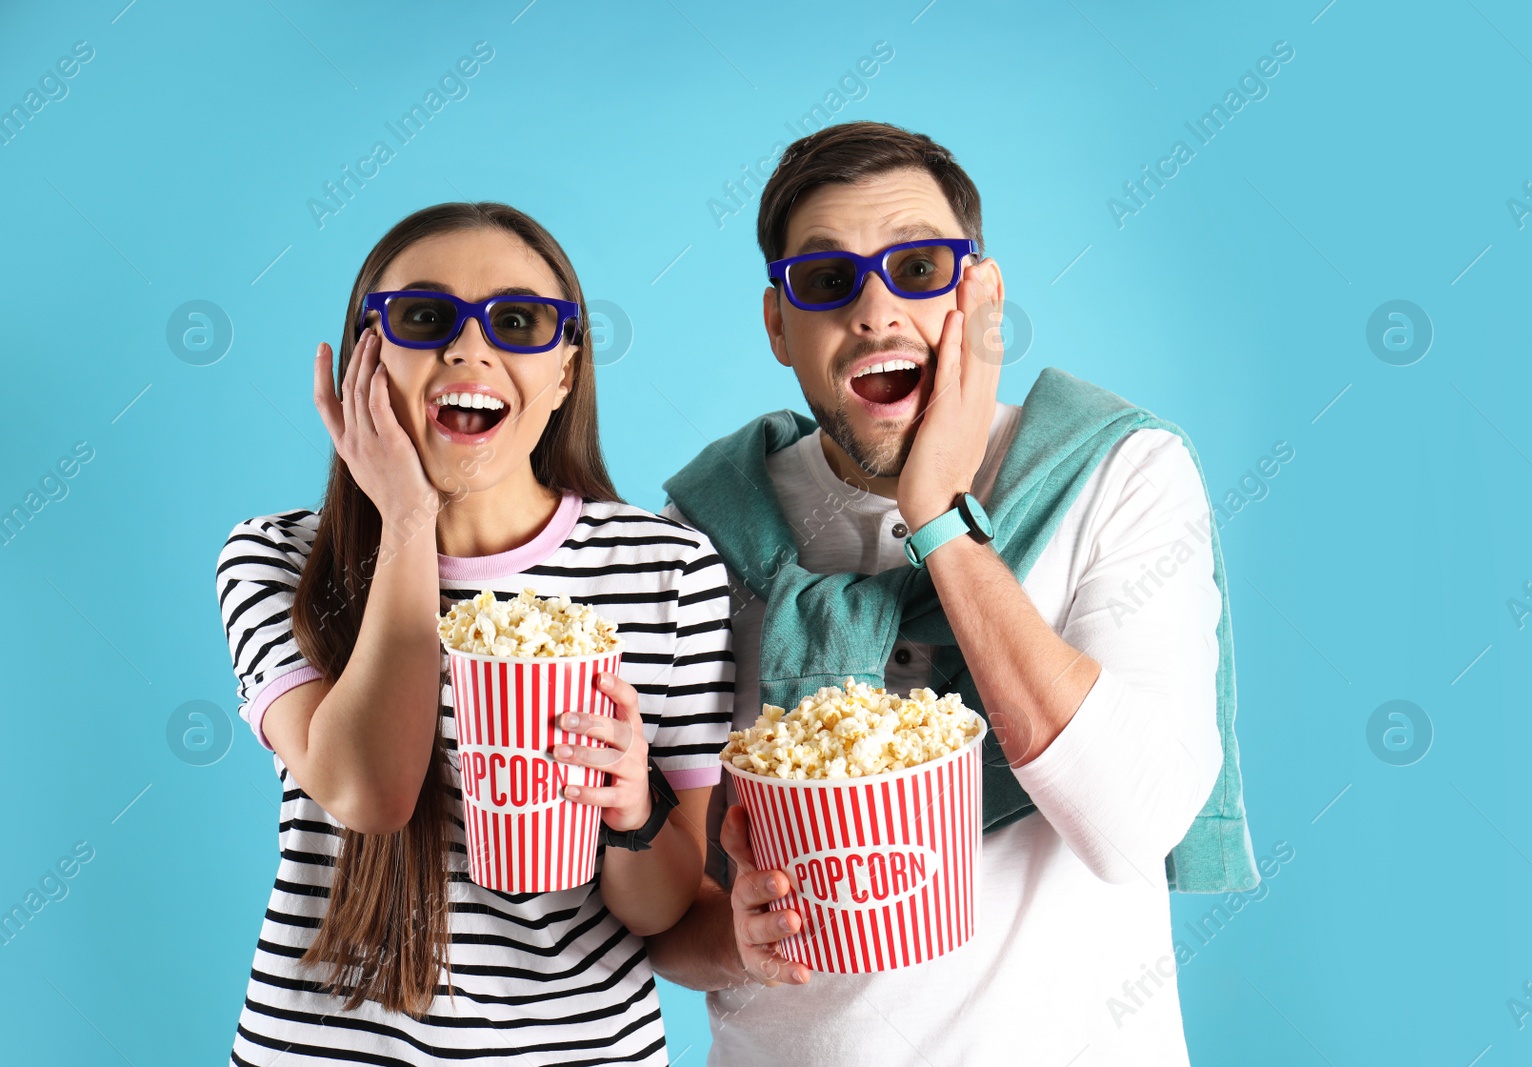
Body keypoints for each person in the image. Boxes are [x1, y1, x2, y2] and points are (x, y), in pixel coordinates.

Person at [646, 122, 1258, 1065]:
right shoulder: (703, 531)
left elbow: (1133, 826)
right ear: (779, 324)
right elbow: (659, 910)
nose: (877, 311)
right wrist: (735, 937)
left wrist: (940, 520)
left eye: (920, 266)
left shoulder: (1119, 475)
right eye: (825, 280)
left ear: (981, 297)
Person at [215, 201, 733, 1065]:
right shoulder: (275, 558)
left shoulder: (667, 571)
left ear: (566, 372)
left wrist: (635, 811)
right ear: (363, 360)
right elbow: (369, 793)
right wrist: (410, 519)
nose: (469, 348)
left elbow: (666, 909)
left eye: (519, 321)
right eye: (425, 318)